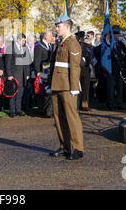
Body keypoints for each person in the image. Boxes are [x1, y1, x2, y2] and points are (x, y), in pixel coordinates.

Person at [48, 14, 84, 160]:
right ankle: (64, 146)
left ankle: (78, 148)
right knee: (58, 117)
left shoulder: (72, 43)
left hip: (68, 85)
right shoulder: (61, 42)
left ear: (67, 26)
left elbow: (75, 67)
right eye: (56, 26)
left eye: (59, 26)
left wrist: (74, 87)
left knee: (71, 117)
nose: (56, 28)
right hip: (57, 83)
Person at [4, 33, 31, 117]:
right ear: (18, 40)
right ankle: (12, 111)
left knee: (20, 93)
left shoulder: (24, 48)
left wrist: (27, 73)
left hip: (22, 74)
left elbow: (27, 62)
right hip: (14, 74)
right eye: (23, 40)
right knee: (13, 93)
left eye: (25, 41)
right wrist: (9, 74)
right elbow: (7, 62)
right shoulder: (10, 48)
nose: (24, 42)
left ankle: (18, 110)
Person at [33, 30, 55, 117]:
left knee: (48, 90)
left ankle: (47, 109)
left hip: (49, 71)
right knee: (42, 90)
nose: (52, 37)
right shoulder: (39, 46)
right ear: (45, 37)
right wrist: (38, 72)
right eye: (50, 35)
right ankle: (42, 109)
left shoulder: (50, 46)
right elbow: (37, 61)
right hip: (42, 72)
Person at [76, 31, 92, 112]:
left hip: (85, 68)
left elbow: (91, 56)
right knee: (77, 87)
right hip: (77, 68)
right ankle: (77, 104)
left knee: (86, 87)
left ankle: (85, 104)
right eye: (79, 37)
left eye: (82, 37)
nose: (81, 39)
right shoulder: (75, 46)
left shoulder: (87, 46)